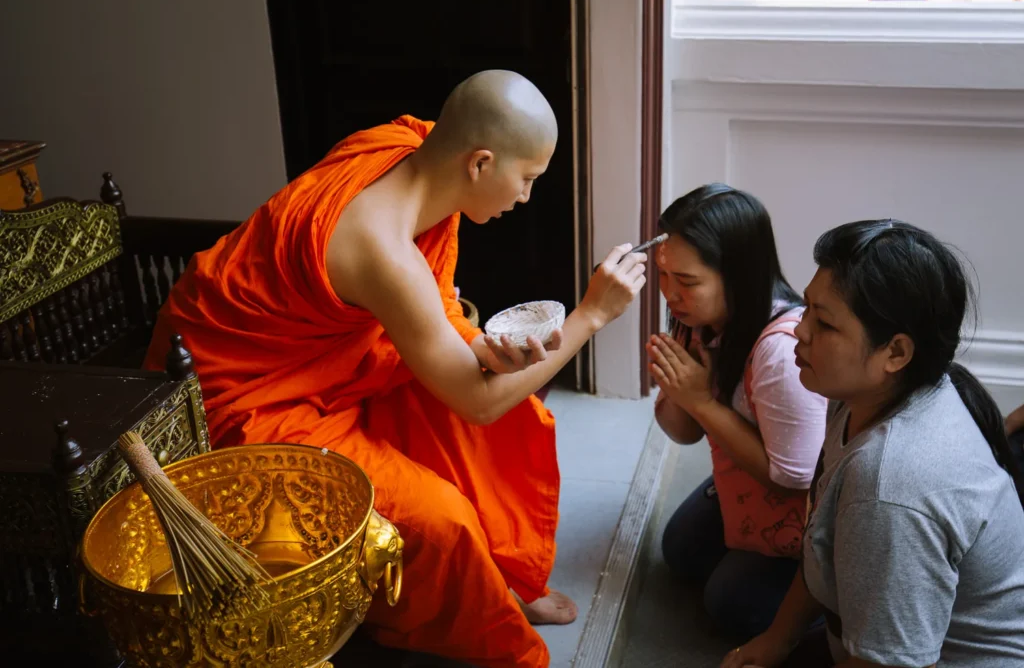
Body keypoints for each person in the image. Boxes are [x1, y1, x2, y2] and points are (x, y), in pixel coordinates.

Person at [143, 70, 649, 668]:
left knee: (502, 424)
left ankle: (497, 578)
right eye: (528, 179)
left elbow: (428, 317)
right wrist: (591, 317)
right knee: (443, 519)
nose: (526, 197)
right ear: (480, 164)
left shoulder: (408, 143)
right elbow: (477, 397)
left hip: (320, 355)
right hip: (239, 399)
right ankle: (483, 621)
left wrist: (470, 345)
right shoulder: (382, 249)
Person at [723, 220, 1024, 668]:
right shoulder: (862, 395)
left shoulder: (891, 486)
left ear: (896, 353)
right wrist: (778, 640)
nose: (799, 332)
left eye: (824, 324)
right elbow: (821, 542)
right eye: (806, 309)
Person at [646, 184, 827, 642]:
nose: (669, 293)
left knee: (729, 605)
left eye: (687, 282)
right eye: (665, 275)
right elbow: (684, 434)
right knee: (680, 552)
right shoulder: (701, 322)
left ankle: (835, 606)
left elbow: (795, 478)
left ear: (739, 276)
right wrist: (680, 394)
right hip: (744, 474)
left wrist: (702, 400)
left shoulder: (782, 352)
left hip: (808, 506)